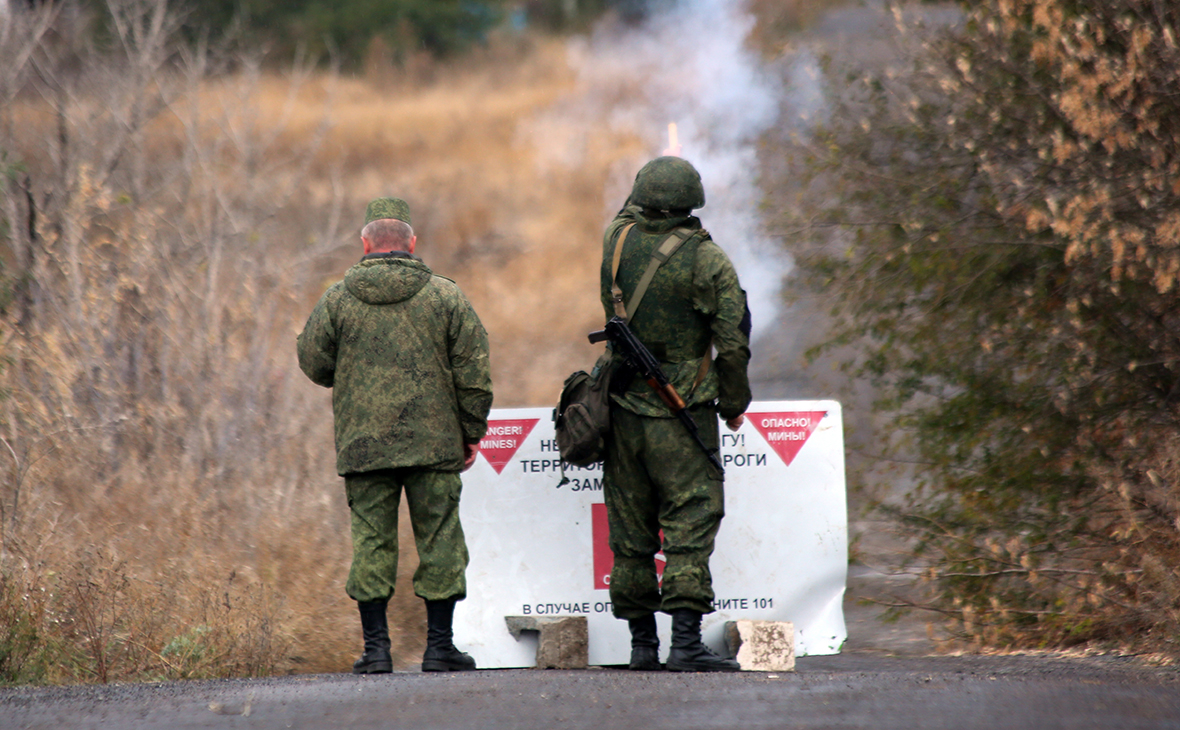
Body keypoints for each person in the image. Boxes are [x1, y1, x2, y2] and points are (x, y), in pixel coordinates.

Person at [297, 197, 493, 674]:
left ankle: (376, 651)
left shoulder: (337, 299)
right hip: (434, 445)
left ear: (365, 244)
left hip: (364, 448)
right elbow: (474, 373)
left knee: (371, 543)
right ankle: (440, 648)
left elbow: (314, 363)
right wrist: (471, 432)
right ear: (411, 243)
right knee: (441, 540)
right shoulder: (445, 296)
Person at [599, 157, 751, 672]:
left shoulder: (615, 242)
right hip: (681, 410)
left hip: (620, 410)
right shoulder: (709, 260)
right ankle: (684, 644)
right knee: (690, 520)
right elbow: (731, 342)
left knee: (630, 531)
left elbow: (626, 214)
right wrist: (733, 404)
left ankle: (643, 647)